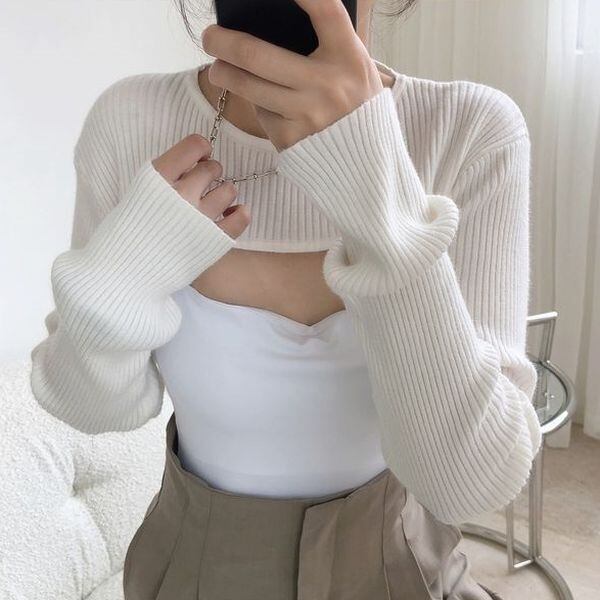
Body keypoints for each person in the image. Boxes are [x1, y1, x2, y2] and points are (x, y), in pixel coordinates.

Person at [29, 0, 540, 598]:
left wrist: (381, 202)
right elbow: (91, 409)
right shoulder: (131, 120)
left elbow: (468, 486)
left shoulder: (468, 130)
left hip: (400, 564)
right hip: (194, 568)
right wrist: (120, 279)